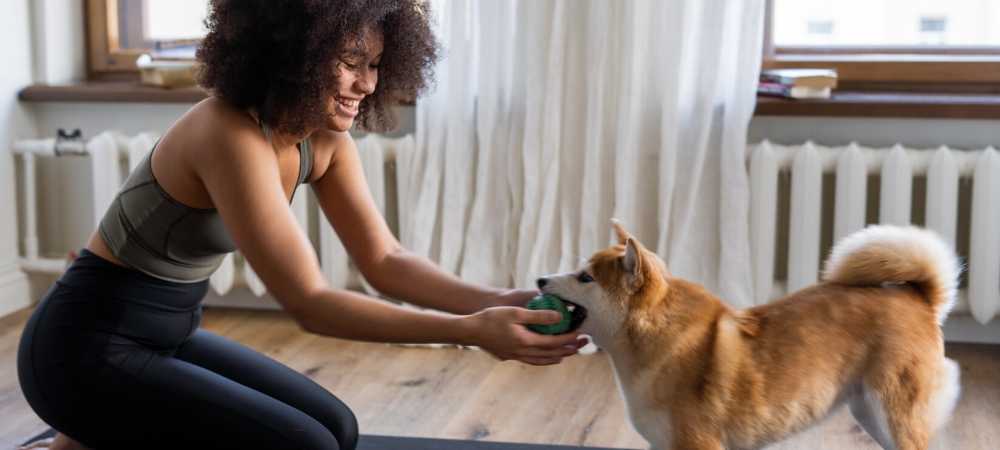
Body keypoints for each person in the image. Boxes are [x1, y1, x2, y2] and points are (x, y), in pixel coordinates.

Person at [17, 1, 585, 449]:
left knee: (336, 430)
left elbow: (385, 261)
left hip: (167, 337)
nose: (365, 84)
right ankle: (85, 432)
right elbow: (310, 303)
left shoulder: (325, 141)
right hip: (81, 353)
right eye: (350, 62)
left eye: (375, 66)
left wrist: (494, 300)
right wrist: (471, 332)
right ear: (294, 53)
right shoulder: (227, 133)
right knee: (303, 444)